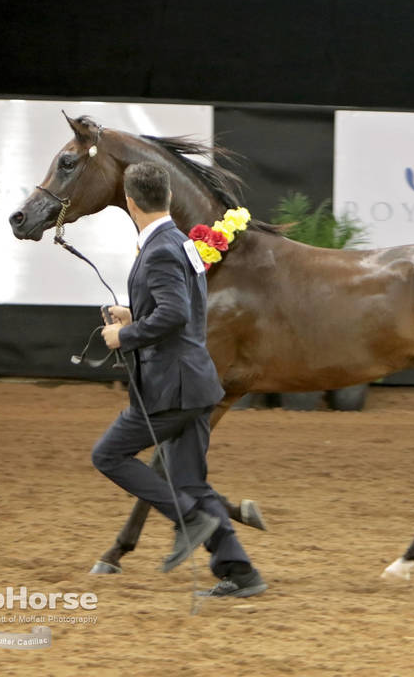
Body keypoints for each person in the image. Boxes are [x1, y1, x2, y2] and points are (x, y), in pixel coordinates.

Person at [92, 161, 266, 598]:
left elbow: (176, 314)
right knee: (190, 482)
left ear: (131, 203)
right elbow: (182, 308)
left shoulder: (162, 248)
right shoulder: (181, 242)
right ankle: (242, 574)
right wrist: (135, 315)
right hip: (194, 381)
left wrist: (124, 335)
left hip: (172, 388)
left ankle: (189, 519)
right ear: (167, 197)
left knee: (109, 455)